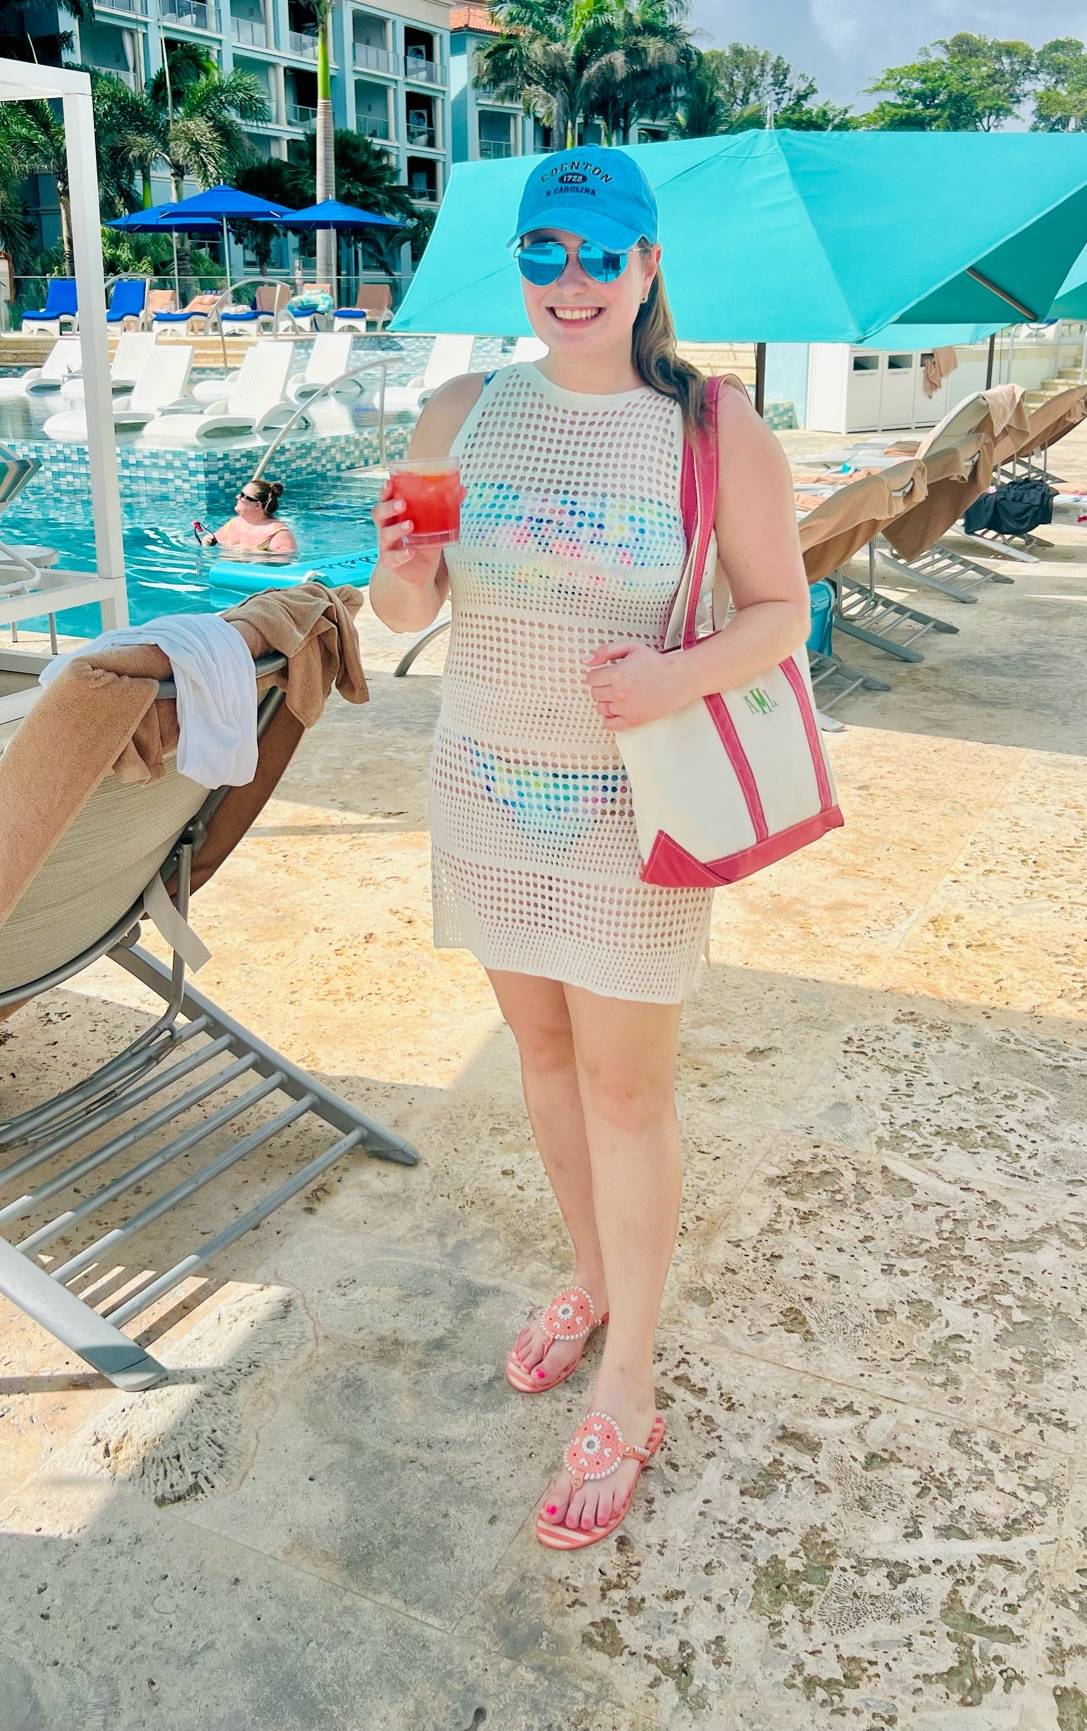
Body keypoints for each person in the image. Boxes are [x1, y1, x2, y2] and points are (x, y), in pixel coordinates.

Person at [370, 148, 809, 1550]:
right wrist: (402, 569)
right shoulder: (456, 412)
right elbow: (393, 618)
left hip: (633, 807)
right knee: (542, 1062)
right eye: (542, 253)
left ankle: (633, 1372)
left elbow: (782, 613)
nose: (570, 281)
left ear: (648, 265)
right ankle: (591, 1275)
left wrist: (675, 680)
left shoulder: (714, 426)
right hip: (485, 788)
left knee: (628, 1094)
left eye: (599, 253)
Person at [195, 477, 297, 556]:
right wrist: (208, 541)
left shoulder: (277, 532)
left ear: (257, 505)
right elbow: (214, 540)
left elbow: (288, 556)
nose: (237, 497)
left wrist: (256, 552)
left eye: (243, 495)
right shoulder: (234, 523)